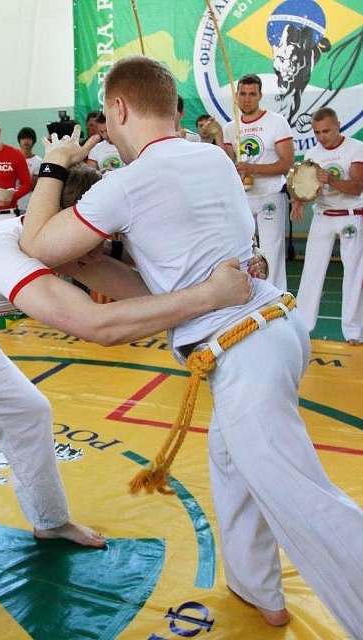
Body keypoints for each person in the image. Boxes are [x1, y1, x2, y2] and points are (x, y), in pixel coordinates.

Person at [19, 56, 363, 639]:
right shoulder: (213, 159)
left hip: (247, 346)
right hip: (267, 331)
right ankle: (259, 590)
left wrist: (54, 162)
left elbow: (38, 244)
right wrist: (98, 264)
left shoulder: (129, 182)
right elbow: (167, 288)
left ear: (118, 110)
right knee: (232, 470)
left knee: (304, 500)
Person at [0, 156, 254, 638]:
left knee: (27, 413)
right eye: (90, 241)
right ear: (62, 226)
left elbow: (139, 291)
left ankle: (49, 521)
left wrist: (227, 287)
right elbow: (96, 326)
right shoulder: (5, 255)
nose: (94, 255)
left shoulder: (63, 244)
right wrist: (209, 296)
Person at [290, 107, 363, 345]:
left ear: (338, 126)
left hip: (351, 215)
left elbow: (356, 188)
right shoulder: (312, 153)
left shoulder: (355, 148)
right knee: (312, 270)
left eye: (326, 131)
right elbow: (305, 184)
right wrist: (299, 199)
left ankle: (353, 331)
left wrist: (330, 179)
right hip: (323, 215)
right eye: (318, 132)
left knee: (354, 272)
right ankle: (302, 325)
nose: (322, 137)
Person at [222, 73, 294, 291]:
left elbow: (286, 163)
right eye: (242, 94)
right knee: (241, 251)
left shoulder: (276, 122)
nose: (247, 99)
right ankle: (246, 299)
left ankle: (277, 301)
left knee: (272, 252)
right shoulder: (229, 128)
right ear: (236, 97)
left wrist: (253, 169)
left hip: (269, 194)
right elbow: (225, 164)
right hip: (242, 198)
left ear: (260, 95)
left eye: (252, 94)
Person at [16, 126, 42, 214]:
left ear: (33, 141)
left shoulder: (38, 161)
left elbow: (32, 186)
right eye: (23, 138)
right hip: (13, 204)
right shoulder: (13, 158)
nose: (26, 141)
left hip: (29, 204)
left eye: (29, 138)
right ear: (19, 141)